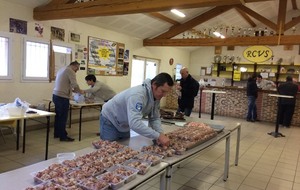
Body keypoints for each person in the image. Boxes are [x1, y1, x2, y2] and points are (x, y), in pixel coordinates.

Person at [100, 72, 174, 147]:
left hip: (124, 123)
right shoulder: (137, 95)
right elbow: (135, 123)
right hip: (110, 120)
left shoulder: (155, 97)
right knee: (109, 149)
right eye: (163, 91)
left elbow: (154, 118)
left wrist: (160, 133)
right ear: (154, 85)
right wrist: (158, 136)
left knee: (123, 148)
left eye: (166, 92)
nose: (164, 95)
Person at [52, 61, 82, 142]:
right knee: (63, 118)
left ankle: (57, 134)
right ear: (74, 66)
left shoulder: (62, 69)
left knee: (58, 116)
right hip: (62, 97)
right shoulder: (70, 71)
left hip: (55, 95)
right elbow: (74, 85)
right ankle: (63, 136)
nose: (77, 70)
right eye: (77, 68)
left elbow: (65, 83)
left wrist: (72, 92)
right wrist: (80, 92)